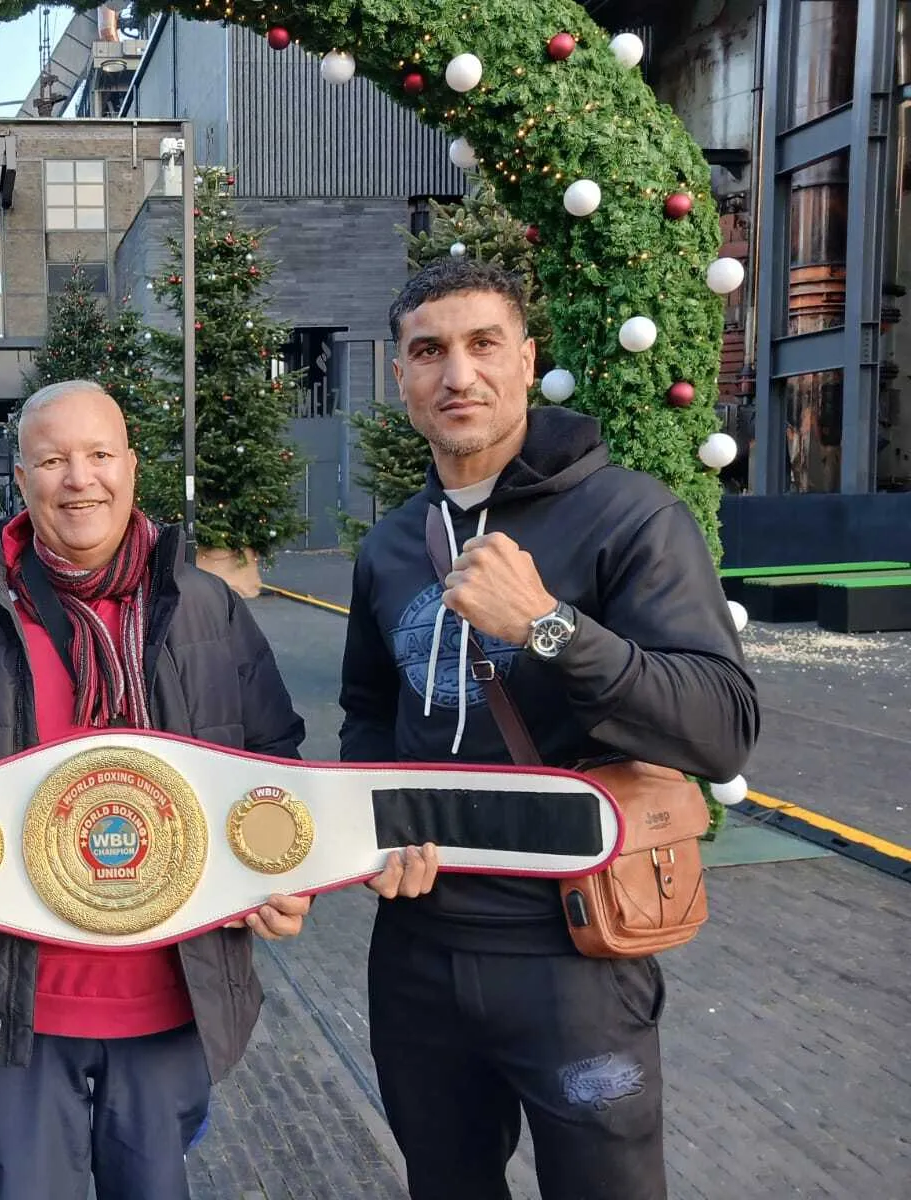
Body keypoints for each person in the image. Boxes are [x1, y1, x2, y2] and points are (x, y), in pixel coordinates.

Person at [0, 380, 418, 1200]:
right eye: (54, 459)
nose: (80, 479)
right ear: (20, 477)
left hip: (170, 995)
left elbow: (274, 770)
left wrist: (282, 881)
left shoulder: (207, 607)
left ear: (132, 467)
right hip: (20, 999)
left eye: (99, 455)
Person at [339, 259, 760, 1200]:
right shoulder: (391, 543)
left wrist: (548, 625)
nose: (459, 375)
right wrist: (378, 822)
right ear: (400, 376)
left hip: (575, 952)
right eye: (429, 352)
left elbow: (723, 729)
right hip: (418, 948)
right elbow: (370, 710)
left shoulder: (631, 515)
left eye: (484, 345)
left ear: (527, 362)